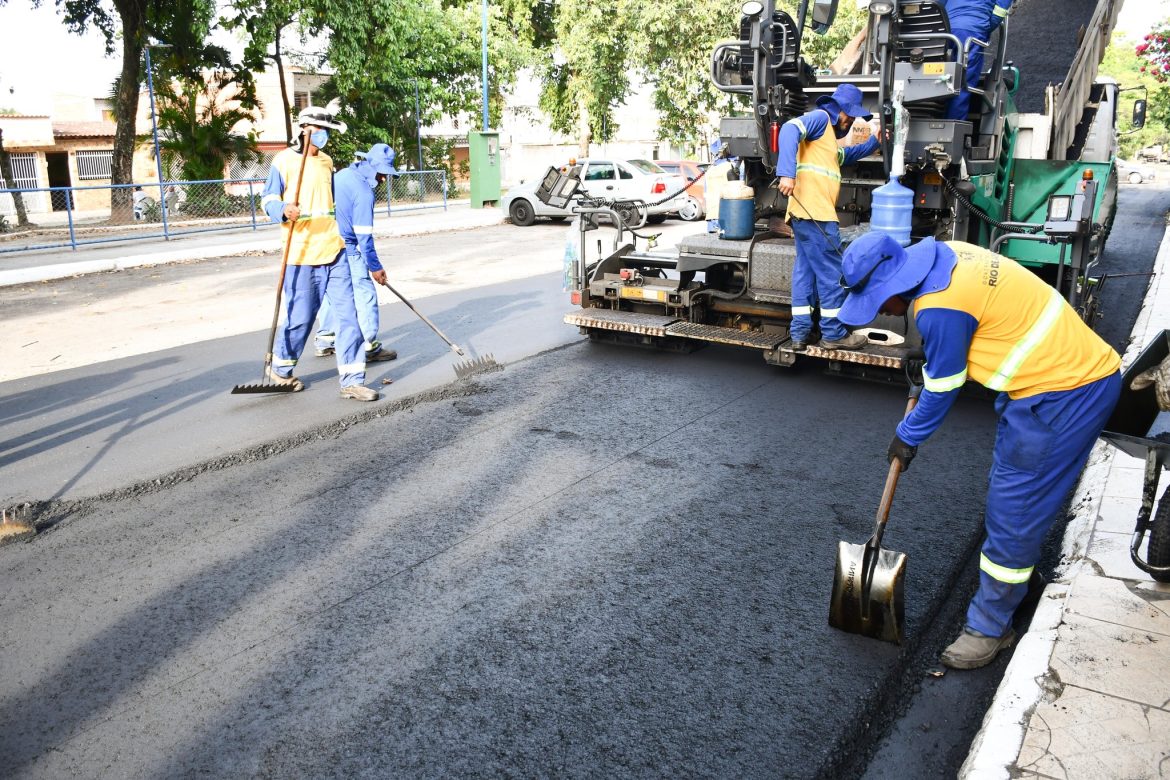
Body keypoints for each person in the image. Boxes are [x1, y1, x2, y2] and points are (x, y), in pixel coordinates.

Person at [837, 232, 1121, 669]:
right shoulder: (949, 254)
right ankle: (1020, 587)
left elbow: (944, 387)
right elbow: (972, 326)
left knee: (1015, 508)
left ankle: (990, 626)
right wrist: (929, 355)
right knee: (1007, 493)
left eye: (878, 301)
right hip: (1043, 380)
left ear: (895, 284)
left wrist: (907, 436)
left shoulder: (939, 309)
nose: (880, 312)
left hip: (1065, 392)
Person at [259, 105, 379, 402]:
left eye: (327, 131)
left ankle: (353, 380)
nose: (325, 136)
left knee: (348, 318)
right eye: (321, 130)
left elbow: (332, 203)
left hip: (333, 250)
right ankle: (282, 369)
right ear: (306, 129)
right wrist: (283, 210)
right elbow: (268, 199)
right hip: (300, 254)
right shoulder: (284, 161)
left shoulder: (326, 162)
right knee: (300, 318)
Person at [776, 83, 880, 351]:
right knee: (832, 273)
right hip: (815, 214)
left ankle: (799, 333)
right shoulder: (821, 118)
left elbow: (844, 155)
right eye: (853, 116)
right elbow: (789, 128)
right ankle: (833, 334)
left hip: (804, 214)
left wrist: (875, 142)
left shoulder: (826, 142)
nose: (852, 122)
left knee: (806, 273)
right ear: (843, 110)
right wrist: (786, 173)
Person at [314, 143, 400, 363]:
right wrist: (375, 267)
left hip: (328, 246)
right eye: (382, 174)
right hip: (350, 250)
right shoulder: (363, 192)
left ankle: (326, 339)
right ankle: (369, 345)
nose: (383, 180)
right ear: (374, 168)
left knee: (333, 294)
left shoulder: (341, 175)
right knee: (365, 295)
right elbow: (364, 238)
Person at [941, 0, 1014, 120]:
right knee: (963, 84)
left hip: (945, 29)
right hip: (971, 31)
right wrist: (983, 27)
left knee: (940, 79)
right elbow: (999, 13)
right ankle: (953, 127)